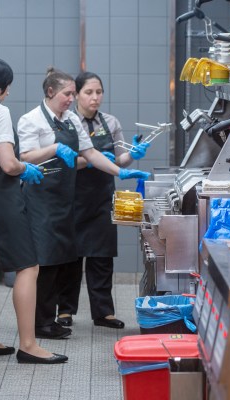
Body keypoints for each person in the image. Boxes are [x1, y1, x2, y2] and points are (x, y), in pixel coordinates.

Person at [17, 67, 150, 342]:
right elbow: (26, 155)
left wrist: (120, 171)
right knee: (48, 262)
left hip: (68, 199)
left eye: (74, 94)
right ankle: (47, 319)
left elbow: (89, 152)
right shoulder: (31, 120)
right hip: (43, 199)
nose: (72, 98)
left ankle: (51, 320)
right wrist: (54, 149)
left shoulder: (71, 121)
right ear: (51, 92)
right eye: (70, 94)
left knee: (64, 259)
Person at [0, 58, 67, 364]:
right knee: (28, 266)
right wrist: (26, 169)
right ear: (5, 88)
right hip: (0, 190)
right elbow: (8, 163)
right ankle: (28, 345)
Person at [56, 72, 151, 329]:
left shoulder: (110, 122)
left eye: (99, 92)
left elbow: (119, 160)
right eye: (89, 92)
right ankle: (65, 311)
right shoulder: (66, 122)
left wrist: (132, 154)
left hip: (101, 198)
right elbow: (64, 164)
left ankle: (103, 312)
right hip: (73, 198)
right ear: (76, 94)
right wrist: (93, 159)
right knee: (70, 258)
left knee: (102, 257)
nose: (95, 98)